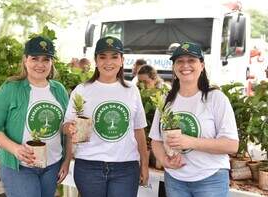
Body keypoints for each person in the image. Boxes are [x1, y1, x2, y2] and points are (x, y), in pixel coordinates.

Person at [0, 36, 72, 197]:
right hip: (19, 166)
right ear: (25, 60)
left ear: (51, 62)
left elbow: (67, 129)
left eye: (46, 59)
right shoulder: (11, 88)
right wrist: (15, 149)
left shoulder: (59, 90)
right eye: (34, 58)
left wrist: (66, 161)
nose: (40, 64)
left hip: (52, 165)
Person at [149, 42, 239, 197]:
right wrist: (164, 160)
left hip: (211, 180)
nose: (185, 65)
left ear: (202, 65)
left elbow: (231, 145)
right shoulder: (166, 100)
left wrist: (190, 142)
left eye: (191, 60)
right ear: (174, 67)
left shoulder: (215, 98)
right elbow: (156, 141)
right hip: (175, 179)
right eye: (180, 61)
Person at [63, 36, 149, 197]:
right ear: (95, 61)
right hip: (89, 166)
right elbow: (66, 126)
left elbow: (139, 130)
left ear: (122, 60)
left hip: (126, 167)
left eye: (114, 57)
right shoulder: (81, 90)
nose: (108, 62)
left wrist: (144, 163)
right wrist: (70, 129)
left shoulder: (132, 90)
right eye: (102, 57)